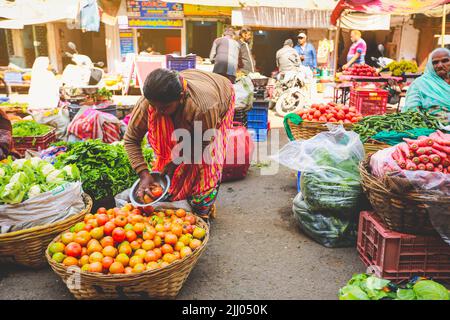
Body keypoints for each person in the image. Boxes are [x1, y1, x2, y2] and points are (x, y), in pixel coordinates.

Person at [124, 68, 235, 218]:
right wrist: (143, 174)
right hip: (193, 86)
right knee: (174, 155)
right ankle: (179, 191)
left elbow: (201, 144)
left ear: (181, 97)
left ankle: (204, 204)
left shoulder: (204, 107)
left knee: (205, 162)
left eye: (163, 108)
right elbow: (131, 139)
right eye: (153, 106)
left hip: (220, 92)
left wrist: (176, 163)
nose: (156, 112)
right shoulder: (147, 103)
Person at [402, 48, 450, 123]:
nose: (440, 65)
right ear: (430, 65)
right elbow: (412, 110)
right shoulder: (420, 84)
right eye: (435, 62)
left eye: (445, 61)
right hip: (431, 126)